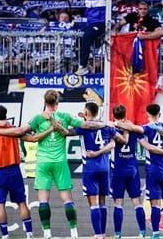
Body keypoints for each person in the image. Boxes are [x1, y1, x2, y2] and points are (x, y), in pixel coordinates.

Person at [0, 90, 113, 239]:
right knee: (67, 199)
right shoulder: (65, 116)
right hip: (60, 162)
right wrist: (104, 124)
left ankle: (47, 233)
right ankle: (74, 232)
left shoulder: (38, 118)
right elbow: (87, 125)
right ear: (57, 103)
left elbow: (19, 131)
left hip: (43, 162)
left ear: (45, 102)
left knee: (43, 200)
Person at [116, 103, 163, 239]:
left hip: (153, 169)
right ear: (160, 114)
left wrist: (114, 122)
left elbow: (132, 129)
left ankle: (156, 234)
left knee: (155, 203)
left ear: (147, 114)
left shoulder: (145, 128)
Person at [0, 105, 53, 239]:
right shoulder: (15, 130)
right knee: (21, 203)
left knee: (0, 204)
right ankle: (29, 234)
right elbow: (33, 138)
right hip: (14, 170)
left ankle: (5, 236)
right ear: (6, 115)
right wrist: (51, 129)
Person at [65, 102, 121, 239]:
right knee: (102, 202)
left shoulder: (83, 128)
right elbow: (118, 141)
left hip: (90, 167)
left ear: (86, 112)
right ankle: (102, 234)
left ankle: (97, 235)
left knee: (94, 204)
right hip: (104, 168)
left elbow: (66, 132)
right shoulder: (106, 126)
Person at [59, 0, 128, 76]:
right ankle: (84, 63)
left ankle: (83, 66)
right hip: (89, 24)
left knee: (86, 37)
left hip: (100, 23)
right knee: (80, 39)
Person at [110, 104, 147, 239]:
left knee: (118, 203)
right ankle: (142, 232)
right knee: (136, 202)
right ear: (125, 114)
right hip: (132, 169)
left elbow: (110, 145)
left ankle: (117, 234)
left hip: (118, 170)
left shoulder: (112, 128)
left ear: (114, 115)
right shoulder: (133, 128)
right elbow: (145, 144)